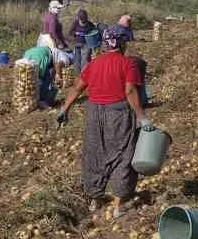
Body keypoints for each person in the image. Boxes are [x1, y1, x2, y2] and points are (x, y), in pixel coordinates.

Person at [56, 25, 148, 220]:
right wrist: (141, 116)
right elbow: (130, 91)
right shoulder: (128, 64)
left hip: (94, 113)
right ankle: (118, 205)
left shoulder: (94, 63)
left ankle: (95, 198)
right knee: (123, 154)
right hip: (118, 113)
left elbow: (77, 87)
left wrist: (64, 109)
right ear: (121, 43)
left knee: (94, 152)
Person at [20, 43, 58, 109]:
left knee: (26, 78)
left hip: (27, 54)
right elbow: (43, 73)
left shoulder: (46, 50)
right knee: (41, 78)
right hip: (38, 57)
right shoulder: (50, 56)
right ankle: (41, 101)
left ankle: (26, 99)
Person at [39, 0, 71, 67]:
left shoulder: (48, 16)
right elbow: (52, 32)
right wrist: (59, 43)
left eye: (59, 8)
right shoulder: (52, 18)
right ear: (52, 8)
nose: (59, 10)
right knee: (54, 60)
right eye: (58, 8)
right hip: (50, 42)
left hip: (45, 40)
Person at [70, 7, 97, 72]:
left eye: (84, 20)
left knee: (85, 60)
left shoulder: (90, 24)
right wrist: (75, 33)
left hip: (86, 44)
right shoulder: (75, 23)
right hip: (77, 44)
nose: (83, 22)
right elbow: (70, 32)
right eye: (81, 20)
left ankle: (84, 75)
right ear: (79, 18)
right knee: (77, 60)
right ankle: (77, 75)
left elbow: (95, 32)